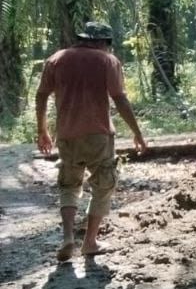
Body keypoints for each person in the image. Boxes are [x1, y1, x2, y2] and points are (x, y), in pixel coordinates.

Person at [35, 22, 147, 261]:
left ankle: (67, 238)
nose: (107, 48)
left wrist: (42, 130)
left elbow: (41, 95)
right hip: (98, 135)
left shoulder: (56, 59)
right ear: (101, 42)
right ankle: (90, 242)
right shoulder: (107, 61)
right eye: (107, 44)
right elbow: (119, 99)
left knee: (69, 185)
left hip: (66, 135)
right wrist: (137, 132)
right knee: (104, 183)